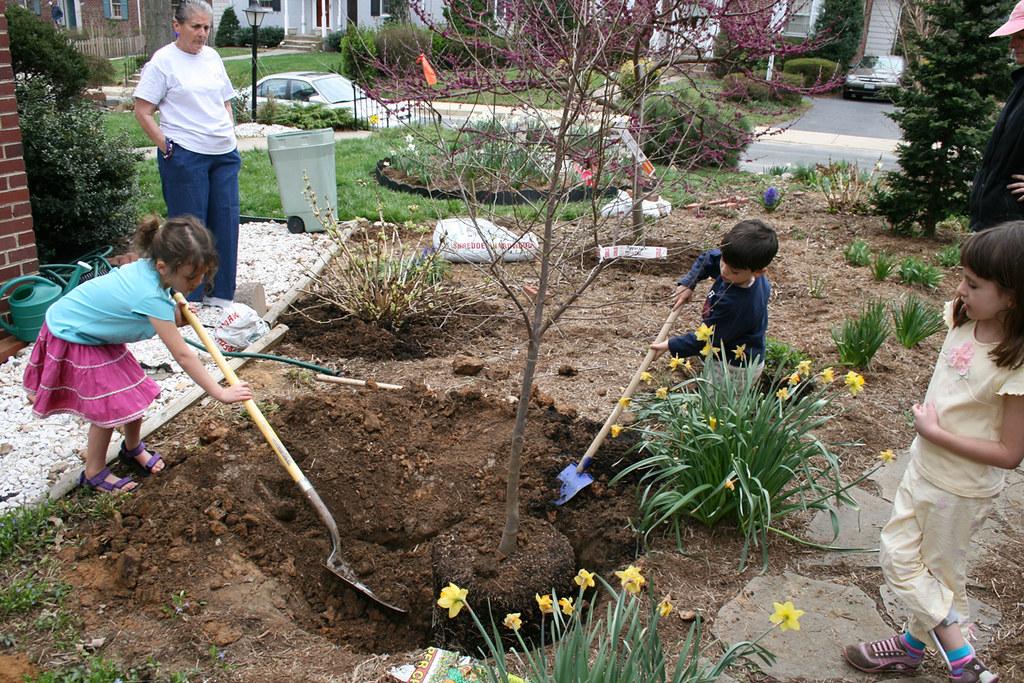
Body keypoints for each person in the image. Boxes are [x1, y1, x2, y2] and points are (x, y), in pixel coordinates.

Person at [843, 222, 1024, 683]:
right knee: (917, 561)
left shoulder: (1016, 363)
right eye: (962, 277)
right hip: (923, 468)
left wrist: (935, 433)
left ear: (1014, 297)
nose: (960, 289)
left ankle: (952, 650)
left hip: (961, 489)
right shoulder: (964, 318)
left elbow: (1009, 453)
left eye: (974, 284)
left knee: (913, 564)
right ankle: (924, 646)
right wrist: (929, 440)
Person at [22, 216, 253, 493]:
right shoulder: (150, 295)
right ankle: (93, 472)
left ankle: (131, 449)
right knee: (109, 403)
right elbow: (183, 355)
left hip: (94, 333)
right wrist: (220, 392)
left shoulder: (153, 273)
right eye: (191, 276)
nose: (198, 282)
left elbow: (151, 310)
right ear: (163, 266)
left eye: (202, 273)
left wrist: (174, 315)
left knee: (134, 390)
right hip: (74, 335)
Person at [133, 0, 240, 306]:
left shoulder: (213, 58)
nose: (202, 33)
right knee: (191, 230)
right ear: (177, 26)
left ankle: (221, 297)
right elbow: (143, 111)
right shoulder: (163, 61)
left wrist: (228, 130)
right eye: (196, 27)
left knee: (226, 224)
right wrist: (168, 148)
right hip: (186, 156)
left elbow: (225, 99)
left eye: (207, 27)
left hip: (224, 154)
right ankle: (188, 299)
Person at [650, 219, 778, 387]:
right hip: (722, 350)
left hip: (734, 366)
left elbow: (708, 338)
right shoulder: (736, 264)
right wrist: (689, 283)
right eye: (723, 261)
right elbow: (709, 257)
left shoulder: (739, 304)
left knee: (717, 404)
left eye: (733, 271)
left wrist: (671, 345)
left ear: (759, 272)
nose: (724, 270)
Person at [970, 0, 1024, 231]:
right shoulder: (1021, 85)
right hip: (997, 227)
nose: (1012, 44)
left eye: (1021, 36)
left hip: (1015, 232)